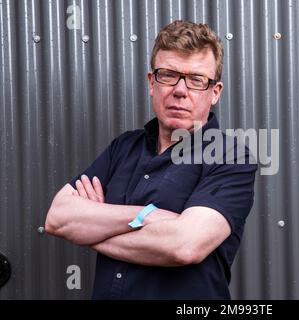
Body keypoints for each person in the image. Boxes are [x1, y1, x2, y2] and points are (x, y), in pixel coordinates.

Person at [45, 20, 257, 299]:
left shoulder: (231, 158)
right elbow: (58, 218)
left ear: (214, 92)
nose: (180, 90)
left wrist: (92, 231)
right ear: (151, 83)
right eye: (168, 74)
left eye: (196, 80)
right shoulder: (123, 148)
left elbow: (184, 245)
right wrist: (146, 216)